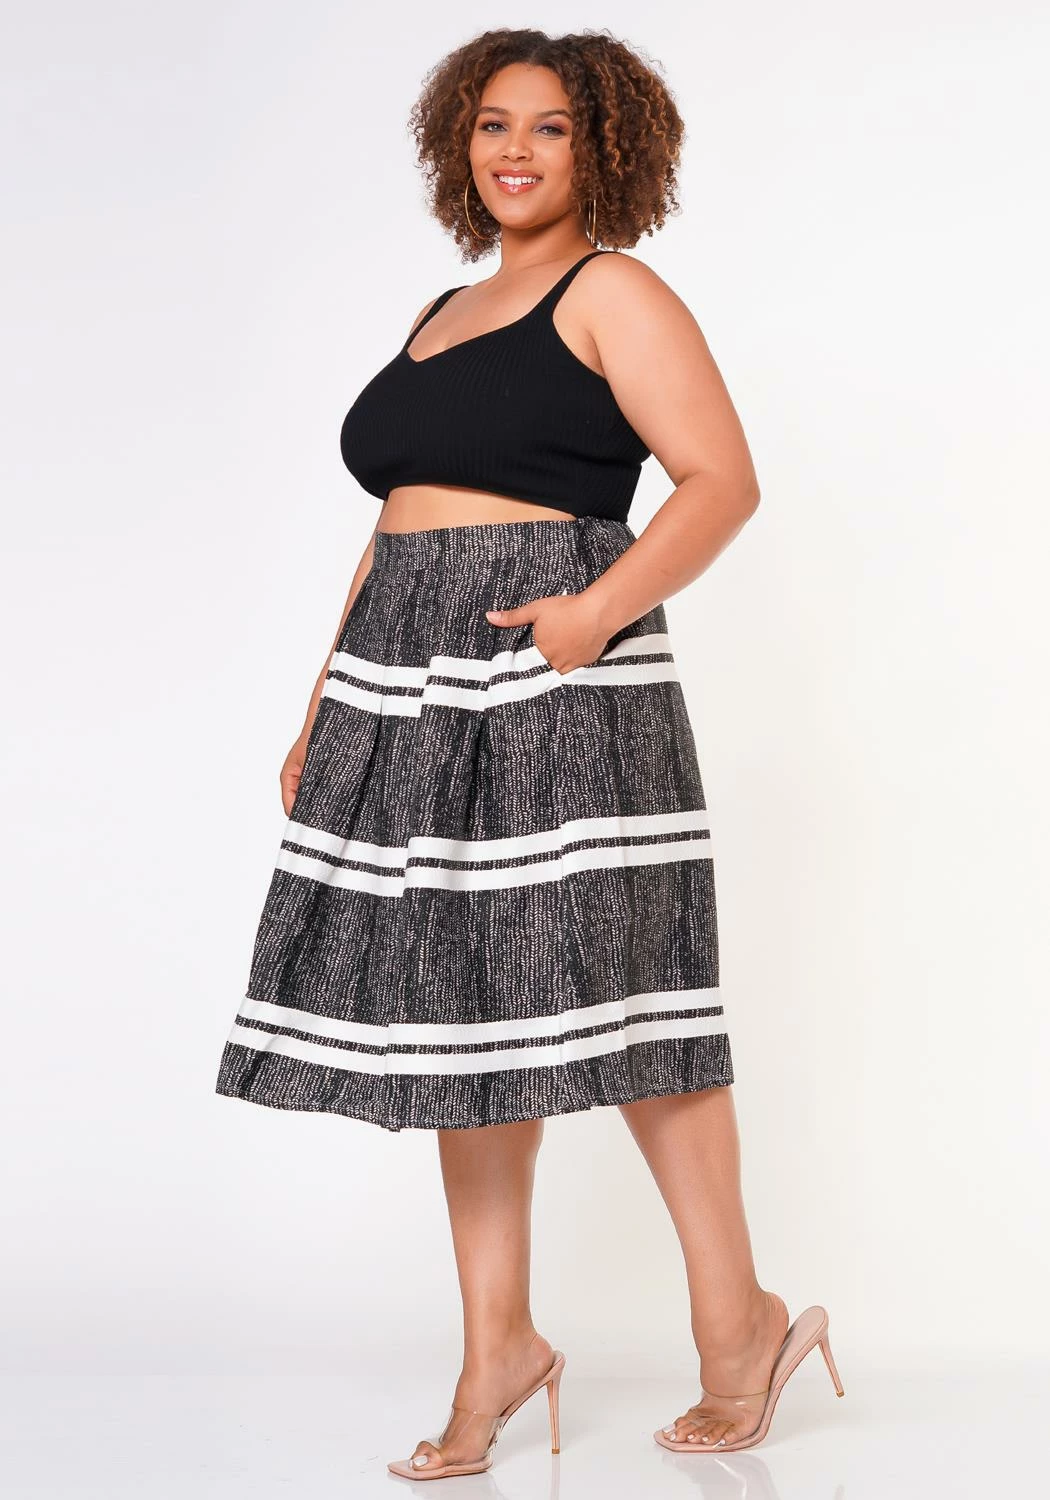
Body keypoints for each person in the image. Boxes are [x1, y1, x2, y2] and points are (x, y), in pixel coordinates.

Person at [214, 26, 843, 1480]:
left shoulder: (611, 290)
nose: (515, 150)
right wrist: (323, 701)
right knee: (459, 1015)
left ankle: (738, 1325)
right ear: (461, 142)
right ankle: (497, 1345)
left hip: (555, 667)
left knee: (627, 988)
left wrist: (591, 615)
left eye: (550, 128)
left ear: (600, 148)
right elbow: (396, 525)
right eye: (494, 123)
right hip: (405, 681)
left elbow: (720, 480)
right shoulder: (441, 310)